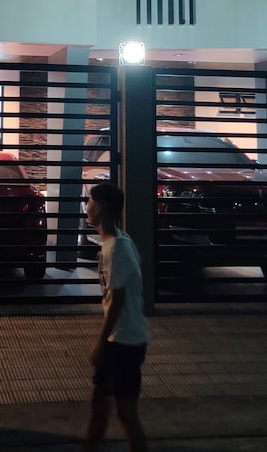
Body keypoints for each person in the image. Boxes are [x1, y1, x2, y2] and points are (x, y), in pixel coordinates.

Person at [85, 182, 149, 452]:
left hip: (123, 341)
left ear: (99, 208)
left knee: (125, 412)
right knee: (101, 403)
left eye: (90, 202)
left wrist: (101, 342)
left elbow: (118, 300)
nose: (87, 207)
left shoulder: (116, 249)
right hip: (127, 338)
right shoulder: (120, 240)